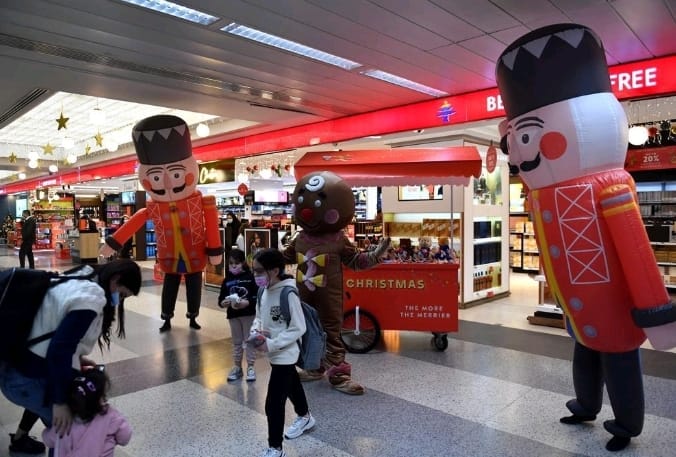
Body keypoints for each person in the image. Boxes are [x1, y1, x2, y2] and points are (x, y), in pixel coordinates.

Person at [496, 23, 676, 452]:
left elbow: (636, 252)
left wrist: (657, 312)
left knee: (619, 359)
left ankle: (627, 423)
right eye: (513, 141)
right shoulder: (541, 195)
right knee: (585, 351)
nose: (518, 154)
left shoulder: (611, 189)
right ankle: (586, 404)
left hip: (612, 303)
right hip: (577, 305)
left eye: (527, 137)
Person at [0, 259, 142, 451]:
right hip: (26, 378)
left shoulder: (83, 274)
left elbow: (55, 327)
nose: (119, 300)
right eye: (122, 294)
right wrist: (60, 402)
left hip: (16, 363)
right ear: (116, 279)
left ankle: (20, 438)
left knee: (55, 409)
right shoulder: (92, 297)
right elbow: (60, 350)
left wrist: (77, 358)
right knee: (65, 431)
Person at [100, 115, 223, 333]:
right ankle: (166, 317)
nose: (166, 182)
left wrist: (214, 249)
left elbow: (212, 225)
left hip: (195, 253)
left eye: (175, 174)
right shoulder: (154, 207)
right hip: (170, 256)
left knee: (194, 287)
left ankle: (192, 316)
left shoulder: (202, 202)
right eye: (156, 178)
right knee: (169, 287)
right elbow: (134, 222)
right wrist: (113, 243)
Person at [281, 171, 389, 395]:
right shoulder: (300, 238)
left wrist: (376, 255)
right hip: (303, 296)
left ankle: (339, 374)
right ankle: (314, 366)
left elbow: (356, 261)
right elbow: (284, 258)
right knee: (306, 330)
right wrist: (262, 258)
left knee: (331, 331)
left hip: (329, 297)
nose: (308, 211)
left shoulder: (338, 239)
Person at [250, 249, 315, 457]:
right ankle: (305, 416)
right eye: (254, 271)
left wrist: (272, 344)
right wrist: (256, 331)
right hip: (273, 352)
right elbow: (259, 317)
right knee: (293, 385)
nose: (256, 275)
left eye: (260, 271)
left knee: (273, 403)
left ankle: (275, 448)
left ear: (275, 270)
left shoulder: (288, 294)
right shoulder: (263, 292)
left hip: (286, 354)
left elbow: (298, 327)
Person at [42, 366, 132, 456]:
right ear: (101, 399)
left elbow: (48, 440)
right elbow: (124, 437)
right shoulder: (112, 417)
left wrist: (46, 432)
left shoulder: (65, 421)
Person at [218, 248, 259, 382]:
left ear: (243, 263)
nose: (234, 266)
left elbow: (257, 296)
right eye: (231, 263)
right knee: (236, 342)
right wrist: (224, 303)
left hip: (248, 315)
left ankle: (251, 367)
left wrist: (248, 302)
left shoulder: (250, 277)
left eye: (237, 263)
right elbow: (221, 299)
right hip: (233, 315)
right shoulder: (227, 280)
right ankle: (237, 367)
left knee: (249, 340)